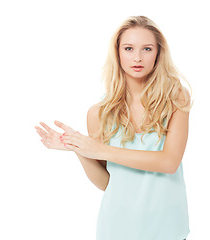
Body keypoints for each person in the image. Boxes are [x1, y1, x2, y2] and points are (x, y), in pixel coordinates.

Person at [35, 16, 191, 240]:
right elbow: (107, 183)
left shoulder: (175, 97)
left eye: (147, 49)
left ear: (158, 53)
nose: (137, 57)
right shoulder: (98, 113)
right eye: (129, 48)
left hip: (168, 229)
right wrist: (79, 147)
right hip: (117, 229)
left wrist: (99, 150)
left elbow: (169, 162)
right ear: (117, 52)